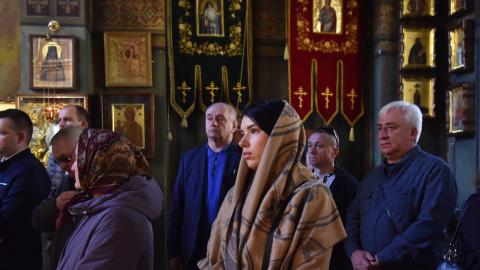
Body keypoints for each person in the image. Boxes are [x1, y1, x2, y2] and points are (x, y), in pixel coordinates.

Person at [199, 100, 346, 269]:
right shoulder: (236, 194)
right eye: (242, 132)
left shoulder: (312, 197)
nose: (242, 142)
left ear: (280, 138)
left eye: (253, 131)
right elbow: (215, 259)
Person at [345, 101, 457, 270]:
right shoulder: (372, 177)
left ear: (412, 132)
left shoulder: (435, 171)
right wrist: (354, 252)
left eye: (391, 127)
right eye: (380, 127)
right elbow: (352, 220)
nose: (382, 135)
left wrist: (383, 258)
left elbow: (428, 225)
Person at [56, 128, 164, 269]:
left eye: (80, 157)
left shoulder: (120, 218)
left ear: (101, 164)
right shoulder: (99, 205)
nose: (74, 166)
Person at [168, 102, 241, 270]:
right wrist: (174, 252)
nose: (213, 123)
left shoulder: (244, 159)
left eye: (220, 119)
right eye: (209, 119)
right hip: (192, 248)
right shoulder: (189, 159)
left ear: (234, 126)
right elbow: (176, 209)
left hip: (229, 249)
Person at [0, 109, 51, 270]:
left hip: (16, 261)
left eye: (1, 133)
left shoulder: (30, 172)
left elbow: (6, 219)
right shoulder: (4, 163)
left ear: (20, 137)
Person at [306, 127, 359, 270]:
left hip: (335, 258)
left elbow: (350, 228)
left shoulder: (349, 185)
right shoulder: (300, 179)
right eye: (310, 145)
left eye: (319, 145)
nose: (311, 151)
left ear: (335, 151)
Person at [32, 126, 84, 270]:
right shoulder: (69, 182)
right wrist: (55, 204)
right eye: (58, 161)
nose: (63, 167)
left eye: (66, 158)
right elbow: (37, 220)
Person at [47, 105, 89, 195]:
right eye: (59, 120)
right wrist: (55, 203)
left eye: (67, 120)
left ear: (83, 124)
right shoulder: (55, 153)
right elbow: (52, 189)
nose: (61, 124)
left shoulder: (96, 150)